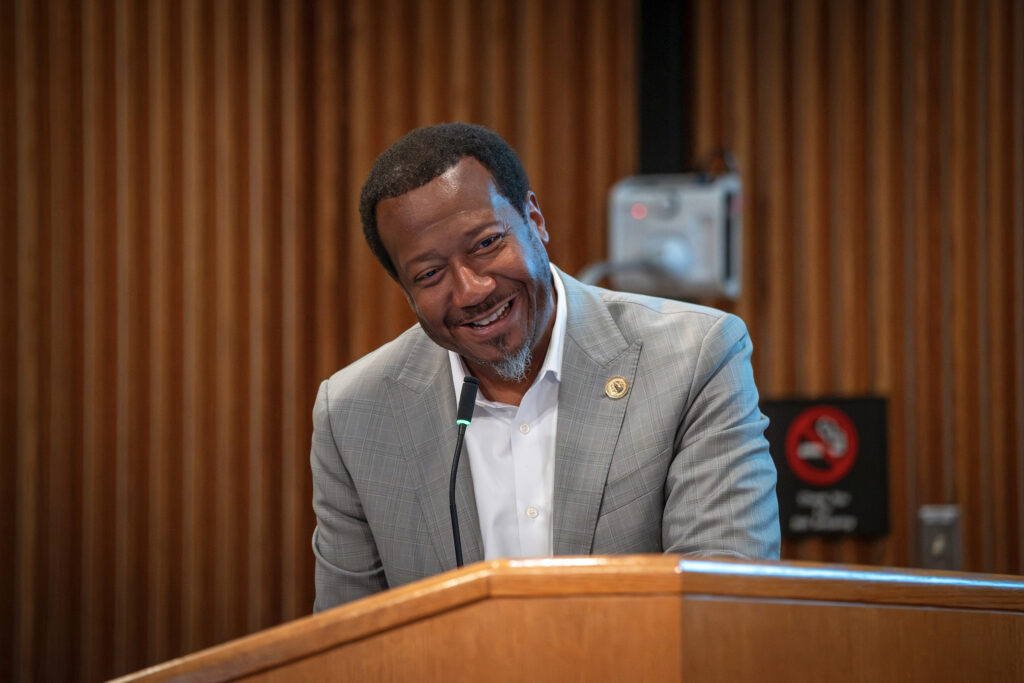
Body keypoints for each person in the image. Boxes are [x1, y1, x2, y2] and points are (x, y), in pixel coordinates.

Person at [310, 122, 779, 611]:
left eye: (487, 243)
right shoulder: (354, 415)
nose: (471, 290)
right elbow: (348, 640)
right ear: (406, 290)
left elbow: (723, 605)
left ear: (534, 219)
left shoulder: (693, 357)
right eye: (429, 274)